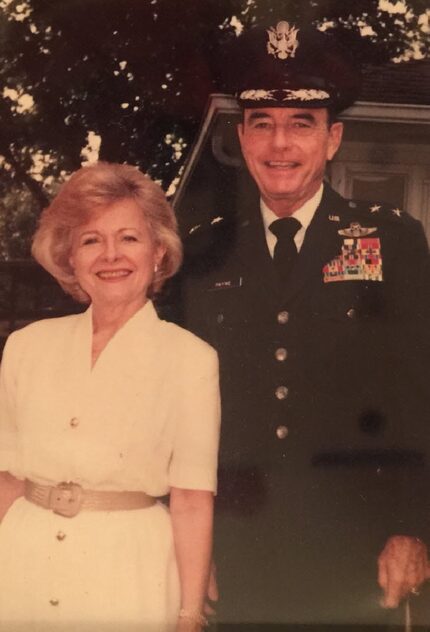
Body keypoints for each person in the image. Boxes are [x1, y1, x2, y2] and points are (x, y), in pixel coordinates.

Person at [175, 20, 430, 629]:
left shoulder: (389, 239)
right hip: (238, 550)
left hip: (359, 546)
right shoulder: (203, 253)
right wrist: (190, 544)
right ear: (241, 137)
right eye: (262, 124)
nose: (280, 144)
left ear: (333, 138)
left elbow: (420, 393)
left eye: (301, 124)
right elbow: (178, 412)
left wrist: (413, 526)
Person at [0, 162, 220, 631]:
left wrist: (189, 614)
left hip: (130, 576)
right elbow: (8, 479)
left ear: (159, 253)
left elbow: (191, 501)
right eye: (91, 240)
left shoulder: (191, 359)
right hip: (21, 566)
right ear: (70, 258)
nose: (110, 255)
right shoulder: (25, 346)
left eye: (129, 237)